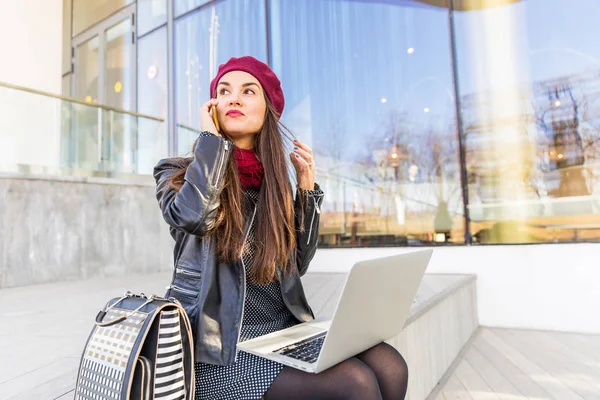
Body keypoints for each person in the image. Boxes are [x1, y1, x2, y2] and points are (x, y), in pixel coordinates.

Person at [154, 56, 409, 400]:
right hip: (218, 350)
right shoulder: (178, 173)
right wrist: (210, 142)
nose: (234, 98)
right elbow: (196, 218)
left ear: (268, 110)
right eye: (224, 91)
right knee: (355, 382)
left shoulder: (273, 188)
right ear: (212, 108)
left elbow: (296, 265)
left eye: (248, 91)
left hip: (280, 332)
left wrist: (305, 193)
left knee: (390, 364)